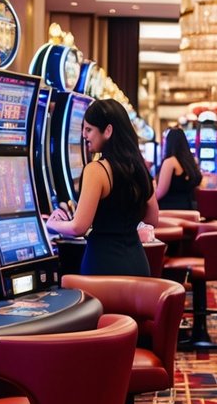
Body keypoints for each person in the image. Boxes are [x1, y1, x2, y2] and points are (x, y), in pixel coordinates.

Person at [46, 97, 158, 275]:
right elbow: (152, 219)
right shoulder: (139, 167)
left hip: (104, 265)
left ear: (108, 131)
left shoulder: (96, 170)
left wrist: (51, 225)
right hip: (137, 264)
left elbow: (78, 228)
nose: (84, 135)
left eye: (89, 129)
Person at [156, 127, 202, 210]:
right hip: (188, 208)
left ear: (169, 143)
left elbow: (161, 192)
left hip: (170, 209)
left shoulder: (170, 162)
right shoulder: (192, 161)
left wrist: (145, 202)